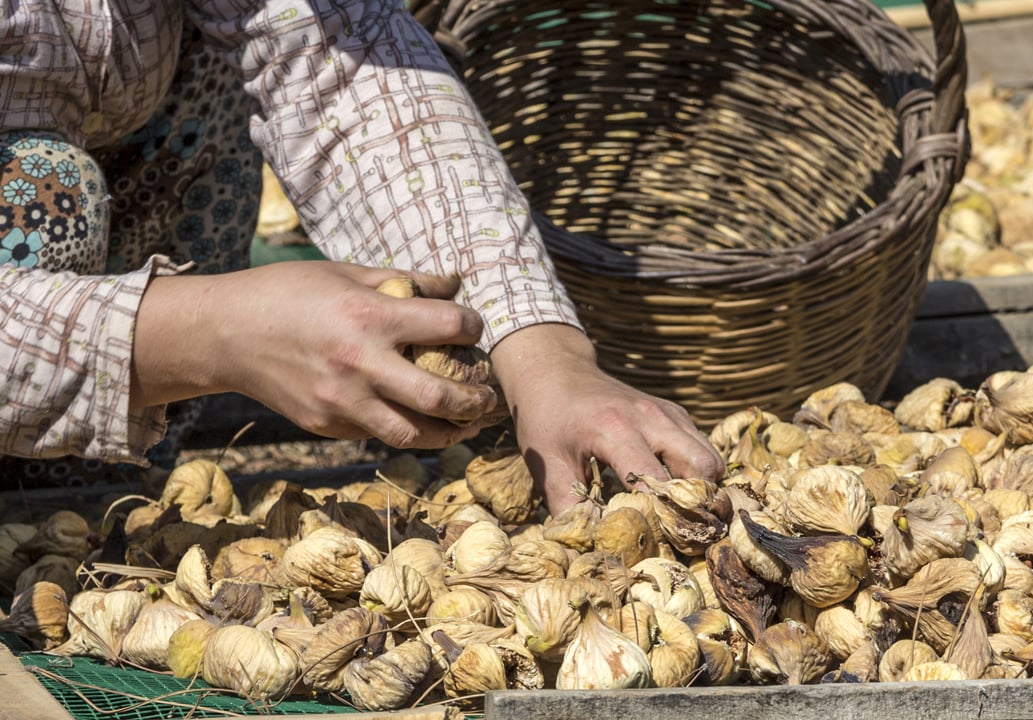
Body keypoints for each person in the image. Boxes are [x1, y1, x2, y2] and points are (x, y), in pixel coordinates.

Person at [0, 1, 723, 514]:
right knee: (47, 190)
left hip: (134, 150)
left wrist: (543, 355)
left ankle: (86, 487)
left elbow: (334, 57)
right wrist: (210, 331)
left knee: (219, 58)